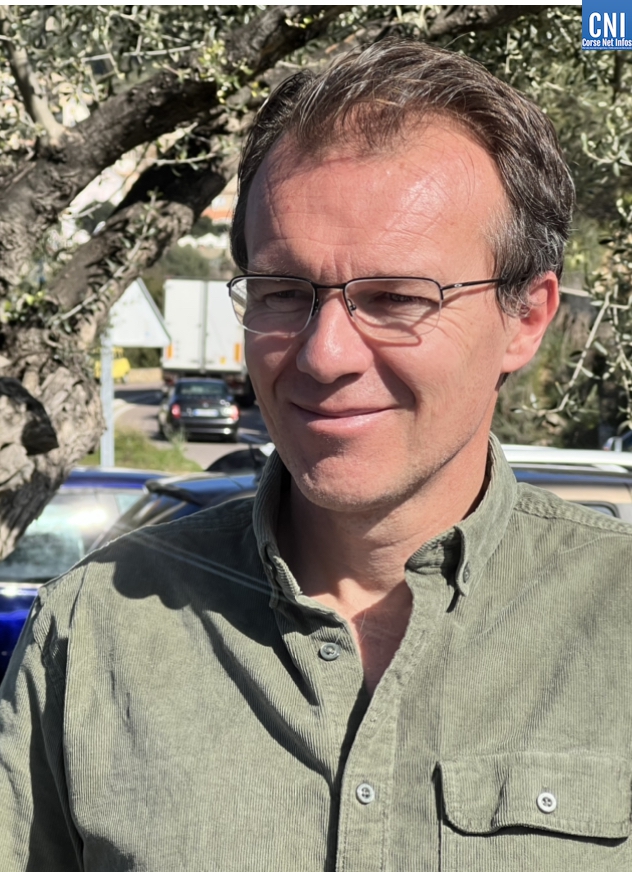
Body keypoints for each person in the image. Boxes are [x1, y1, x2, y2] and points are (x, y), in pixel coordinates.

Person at [1, 39, 631, 872]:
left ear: (527, 318)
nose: (325, 354)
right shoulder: (94, 634)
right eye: (281, 293)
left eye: (396, 297)